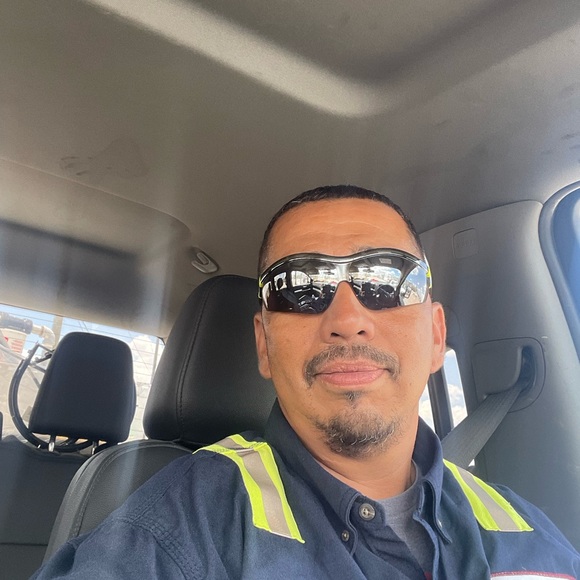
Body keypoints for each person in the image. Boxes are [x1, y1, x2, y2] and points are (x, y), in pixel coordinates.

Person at [33, 185, 580, 579]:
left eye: (384, 280)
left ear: (436, 335)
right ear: (264, 345)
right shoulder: (181, 525)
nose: (347, 318)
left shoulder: (528, 532)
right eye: (299, 288)